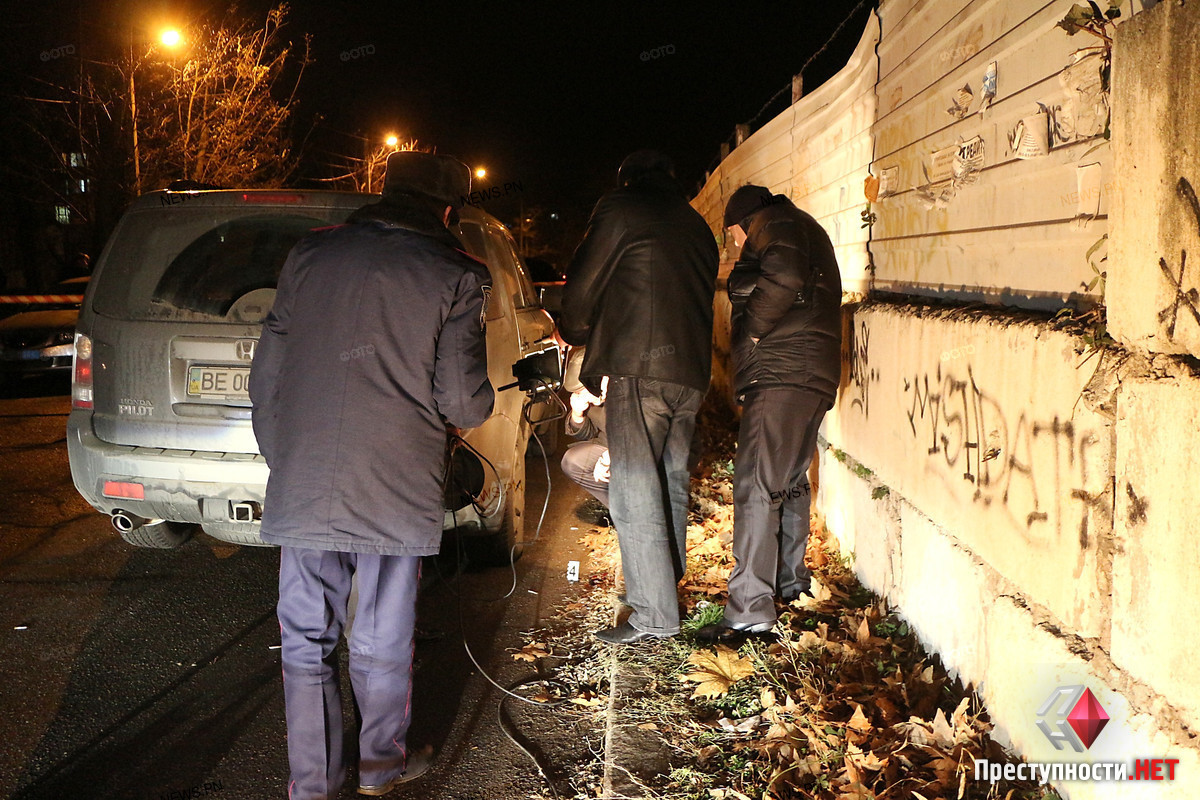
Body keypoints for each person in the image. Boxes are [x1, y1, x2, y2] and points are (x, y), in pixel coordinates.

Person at [249, 152, 493, 799]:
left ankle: (314, 783)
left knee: (305, 641)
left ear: (383, 193)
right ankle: (380, 766)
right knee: (381, 639)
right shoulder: (455, 272)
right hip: (392, 484)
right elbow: (465, 402)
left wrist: (285, 459)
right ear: (447, 210)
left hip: (305, 478)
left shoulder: (312, 254)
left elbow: (267, 373)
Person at [560, 150, 718, 644]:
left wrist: (574, 328)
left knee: (634, 489)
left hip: (639, 369)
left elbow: (584, 286)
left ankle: (654, 614)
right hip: (690, 373)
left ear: (626, 179)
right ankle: (664, 591)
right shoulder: (696, 224)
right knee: (669, 481)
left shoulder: (620, 208)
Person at [697, 184, 842, 644]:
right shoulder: (807, 226)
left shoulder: (773, 226)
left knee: (756, 486)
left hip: (781, 373)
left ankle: (749, 608)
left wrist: (755, 329)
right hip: (812, 373)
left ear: (742, 222)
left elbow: (785, 273)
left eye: (734, 237)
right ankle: (790, 584)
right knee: (790, 482)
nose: (738, 245)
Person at [559, 348, 610, 513]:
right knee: (573, 461)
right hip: (611, 449)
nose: (583, 397)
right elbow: (589, 435)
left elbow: (644, 432)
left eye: (583, 390)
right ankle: (623, 511)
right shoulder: (594, 400)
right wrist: (577, 415)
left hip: (642, 450)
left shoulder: (627, 391)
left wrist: (610, 457)